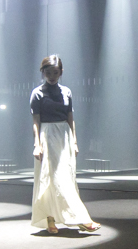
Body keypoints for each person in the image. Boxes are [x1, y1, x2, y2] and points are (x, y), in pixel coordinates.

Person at [30, 55, 101, 234]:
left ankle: (73, 219)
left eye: (55, 72)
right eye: (48, 72)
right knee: (49, 178)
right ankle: (61, 219)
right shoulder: (37, 93)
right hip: (47, 135)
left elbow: (70, 118)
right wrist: (37, 144)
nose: (52, 76)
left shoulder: (66, 92)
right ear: (43, 72)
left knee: (66, 178)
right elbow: (35, 120)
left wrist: (75, 141)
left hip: (64, 136)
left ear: (61, 72)